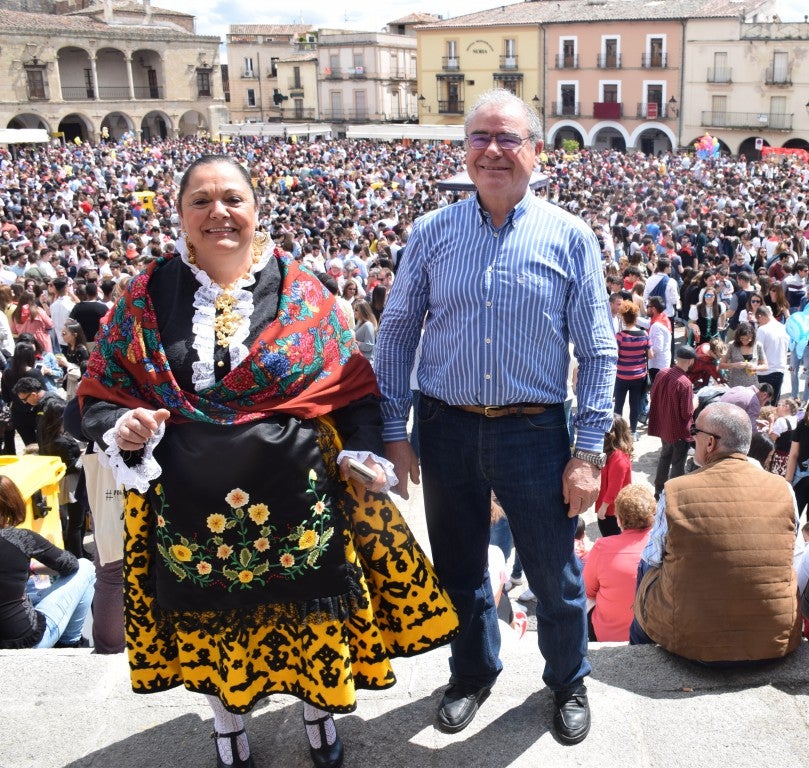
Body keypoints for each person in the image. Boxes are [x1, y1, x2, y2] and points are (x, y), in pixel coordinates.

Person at [77, 155, 458, 768]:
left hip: (297, 495)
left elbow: (351, 386)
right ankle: (228, 728)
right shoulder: (145, 295)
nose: (218, 212)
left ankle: (318, 716)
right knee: (212, 621)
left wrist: (363, 452)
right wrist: (125, 427)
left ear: (257, 210)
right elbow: (98, 395)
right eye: (200, 201)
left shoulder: (304, 291)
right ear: (179, 214)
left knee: (308, 614)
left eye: (232, 198)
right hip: (188, 502)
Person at [374, 89, 617, 745]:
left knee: (555, 577)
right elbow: (395, 334)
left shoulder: (569, 236)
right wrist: (395, 432)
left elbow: (596, 350)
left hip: (534, 431)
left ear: (535, 152)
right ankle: (472, 672)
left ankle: (567, 680)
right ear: (464, 150)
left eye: (508, 137)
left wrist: (587, 453)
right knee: (457, 569)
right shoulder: (431, 232)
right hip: (445, 425)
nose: (493, 150)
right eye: (480, 136)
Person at [631, 403, 802, 663]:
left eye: (694, 431)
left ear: (710, 443)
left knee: (646, 566)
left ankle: (637, 657)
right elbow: (792, 557)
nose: (691, 438)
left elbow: (653, 560)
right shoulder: (784, 490)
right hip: (774, 639)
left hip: (689, 642)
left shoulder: (676, 489)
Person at [0, 474, 95, 649]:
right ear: (12, 504)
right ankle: (70, 642)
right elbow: (71, 564)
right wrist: (34, 569)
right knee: (86, 567)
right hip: (24, 641)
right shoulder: (20, 538)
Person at [583, 484, 655, 642]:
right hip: (652, 634)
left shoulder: (602, 547)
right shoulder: (664, 545)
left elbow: (588, 591)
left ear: (619, 519)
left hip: (607, 634)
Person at [649, 346, 696, 499]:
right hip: (679, 430)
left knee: (665, 456)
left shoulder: (661, 373)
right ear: (690, 361)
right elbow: (686, 413)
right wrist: (695, 403)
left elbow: (653, 394)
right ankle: (674, 494)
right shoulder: (685, 383)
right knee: (677, 463)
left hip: (664, 425)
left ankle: (658, 490)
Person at [613, 300, 650, 438]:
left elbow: (616, 354)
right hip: (638, 376)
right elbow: (650, 355)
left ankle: (617, 432)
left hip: (622, 376)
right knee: (634, 405)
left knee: (619, 405)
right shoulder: (644, 335)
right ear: (636, 318)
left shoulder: (620, 336)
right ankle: (633, 432)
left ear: (623, 318)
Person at [595, 414, 633, 537]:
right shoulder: (613, 452)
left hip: (611, 511)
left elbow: (614, 487)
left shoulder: (618, 458)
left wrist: (603, 507)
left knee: (610, 536)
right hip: (609, 507)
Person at [755, 305, 790, 404]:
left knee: (762, 405)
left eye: (758, 321)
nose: (759, 323)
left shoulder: (762, 329)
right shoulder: (784, 328)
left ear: (761, 316)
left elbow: (758, 351)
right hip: (780, 369)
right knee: (773, 404)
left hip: (765, 372)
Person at [720, 322, 767, 388]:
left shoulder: (758, 345)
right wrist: (734, 365)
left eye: (748, 339)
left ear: (752, 337)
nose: (745, 342)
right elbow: (721, 365)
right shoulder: (732, 345)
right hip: (735, 384)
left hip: (752, 384)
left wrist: (755, 367)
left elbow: (765, 366)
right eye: (742, 339)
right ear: (738, 337)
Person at [352, 299, 377, 365]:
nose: (354, 311)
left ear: (362, 311)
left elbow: (369, 346)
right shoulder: (359, 322)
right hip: (359, 361)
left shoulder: (368, 325)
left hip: (366, 363)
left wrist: (355, 343)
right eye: (354, 309)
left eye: (356, 310)